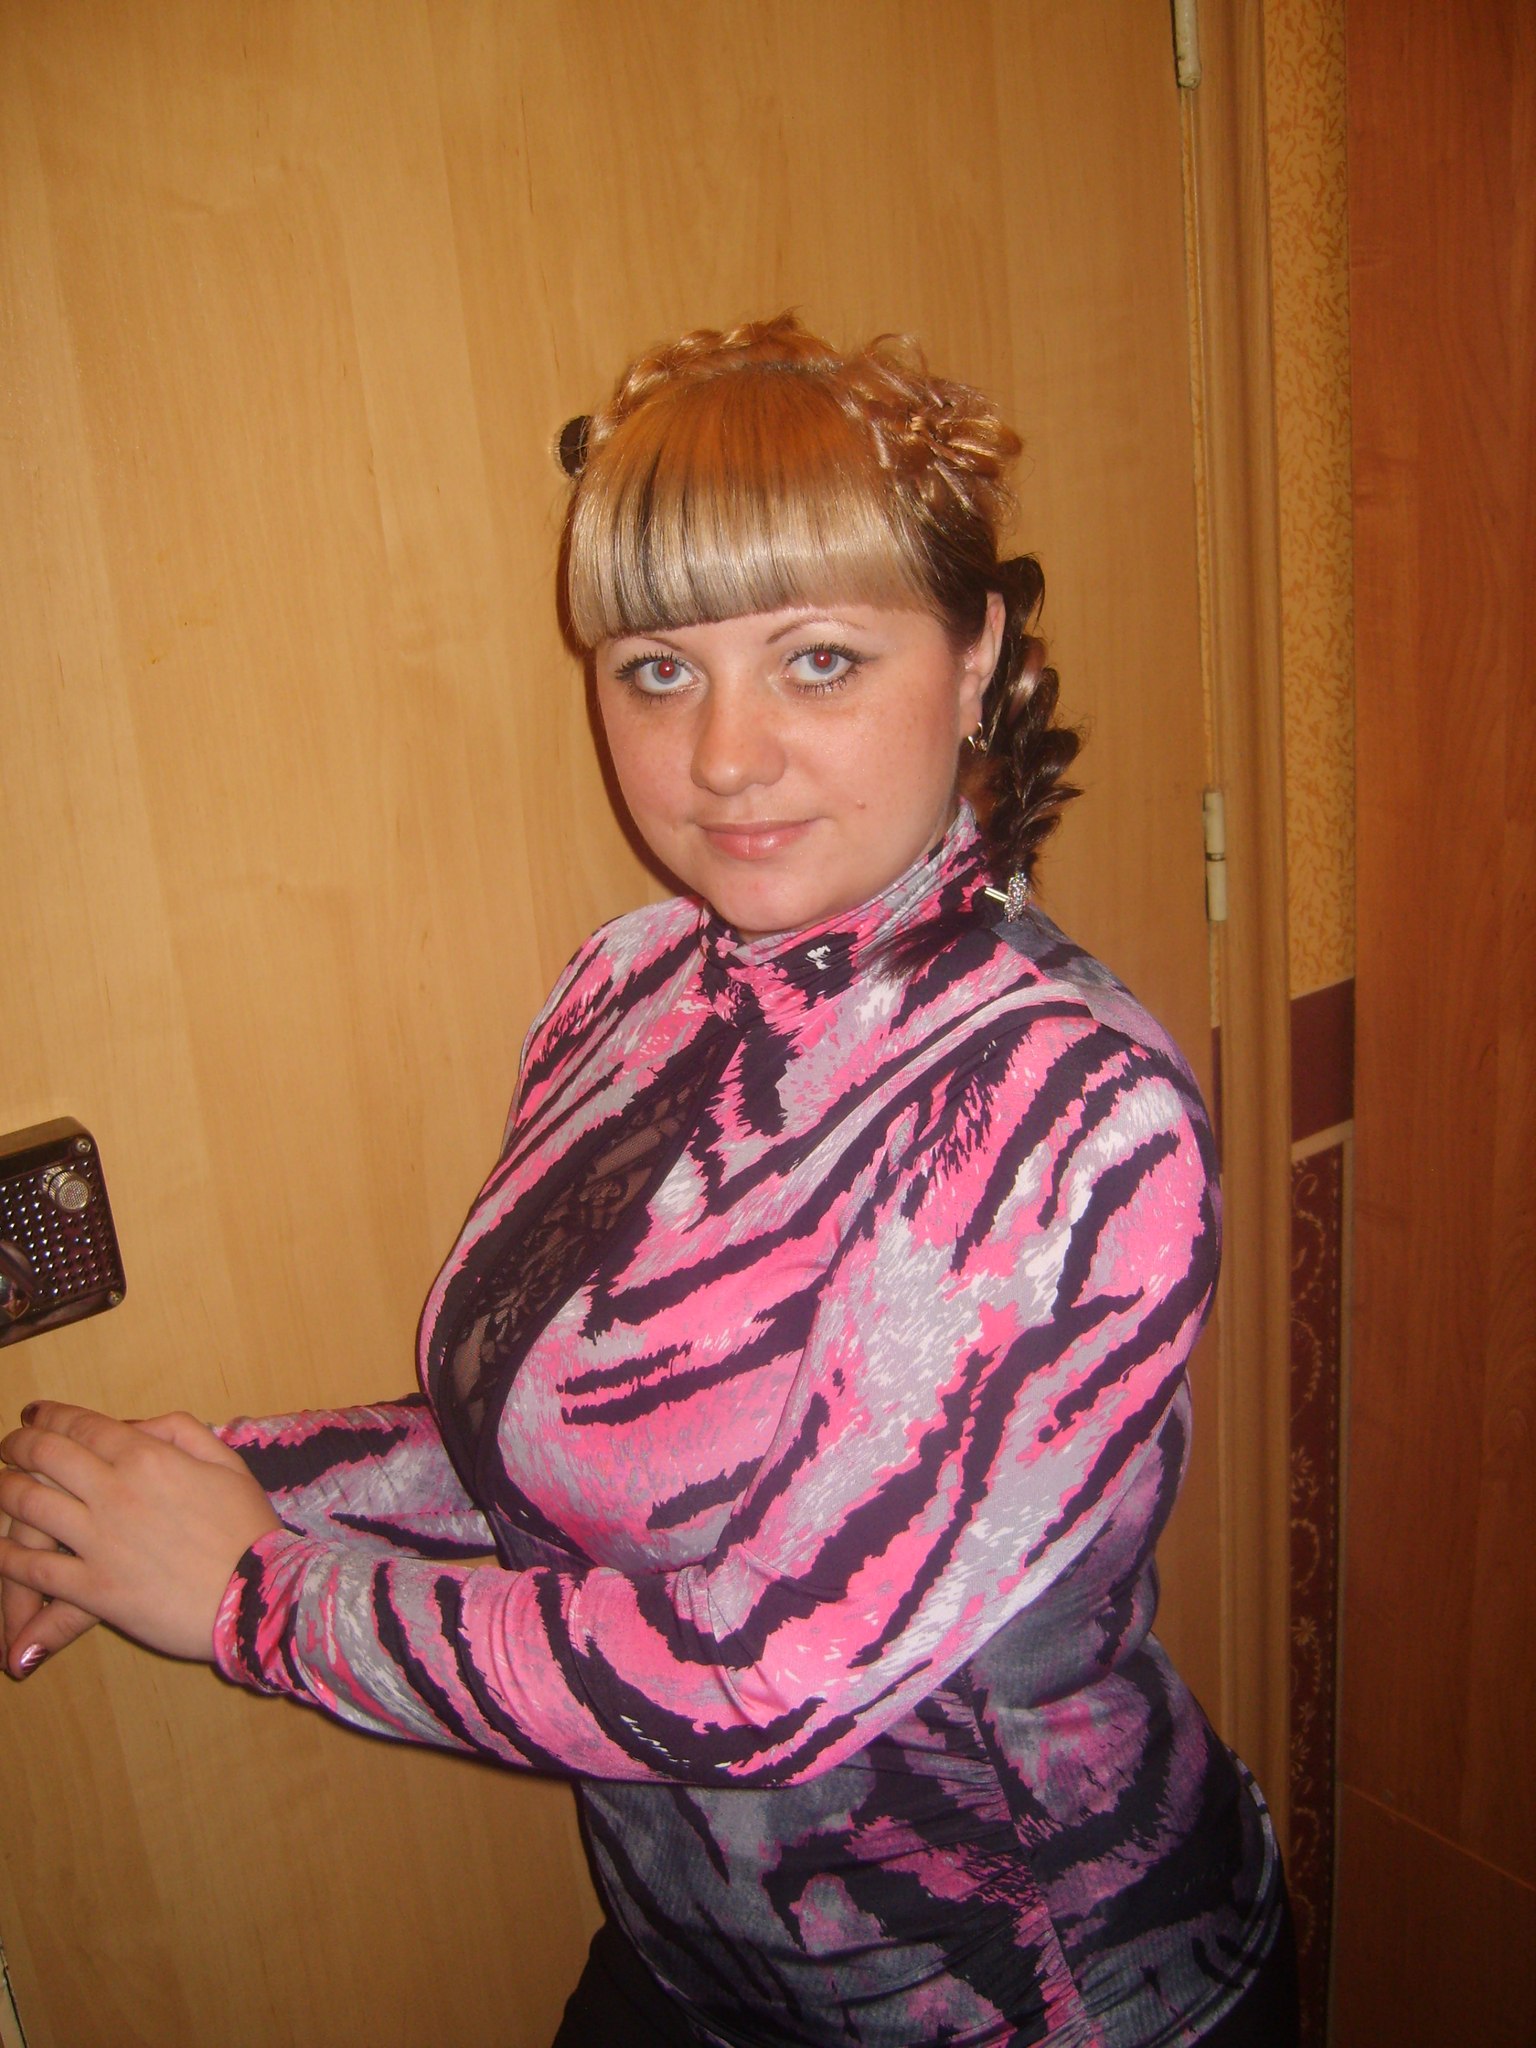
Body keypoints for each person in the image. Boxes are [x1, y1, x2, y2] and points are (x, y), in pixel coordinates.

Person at [0, 315, 1296, 2047]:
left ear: (976, 653)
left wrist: (254, 1596)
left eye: (818, 660)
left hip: (1038, 2002)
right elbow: (555, 1454)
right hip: (695, 1969)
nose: (725, 756)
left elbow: (763, 1676)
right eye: (658, 670)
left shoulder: (1071, 1111)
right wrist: (164, 1496)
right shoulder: (628, 987)